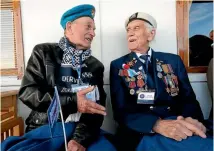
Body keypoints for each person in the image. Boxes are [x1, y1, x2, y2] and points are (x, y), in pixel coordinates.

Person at [1, 4, 116, 151]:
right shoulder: (43, 52)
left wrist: (79, 140)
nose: (93, 33)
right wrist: (73, 102)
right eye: (88, 27)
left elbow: (97, 109)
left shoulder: (95, 65)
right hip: (47, 129)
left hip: (82, 131)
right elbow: (28, 93)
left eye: (94, 29)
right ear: (69, 27)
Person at [110, 12, 213, 151]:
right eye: (128, 30)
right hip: (144, 130)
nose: (130, 33)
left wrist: (193, 122)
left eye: (136, 28)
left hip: (179, 122)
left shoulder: (173, 61)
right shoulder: (118, 65)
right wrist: (156, 125)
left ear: (151, 34)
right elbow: (120, 111)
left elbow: (188, 100)